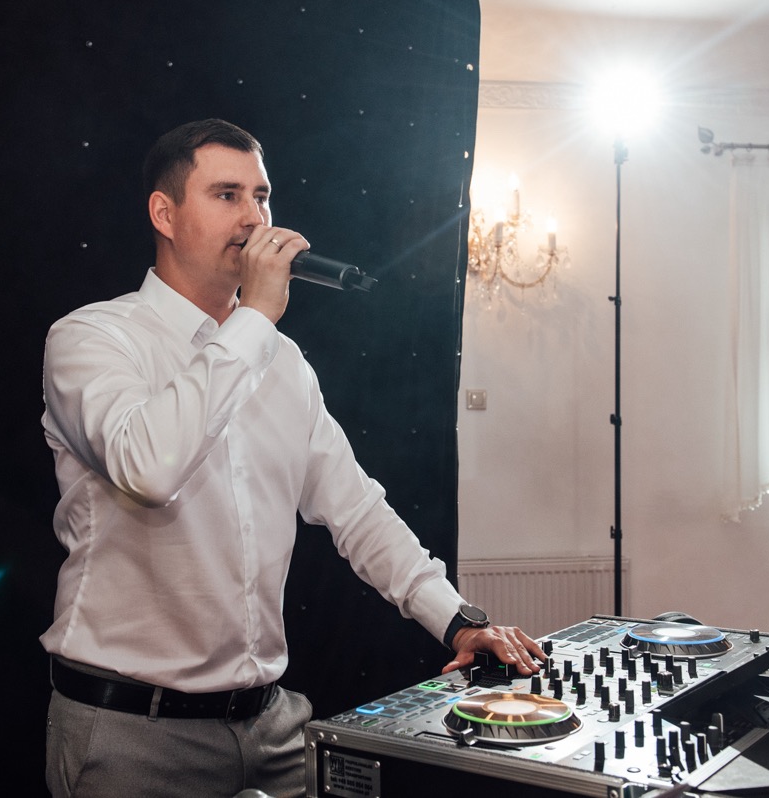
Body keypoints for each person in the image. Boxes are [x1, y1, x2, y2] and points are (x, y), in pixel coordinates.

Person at [40, 118, 545, 797]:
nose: (254, 218)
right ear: (164, 213)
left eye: (262, 196)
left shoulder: (281, 361)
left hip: (273, 724)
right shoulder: (91, 338)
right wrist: (255, 317)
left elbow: (357, 510)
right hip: (134, 732)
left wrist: (457, 621)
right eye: (227, 195)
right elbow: (149, 470)